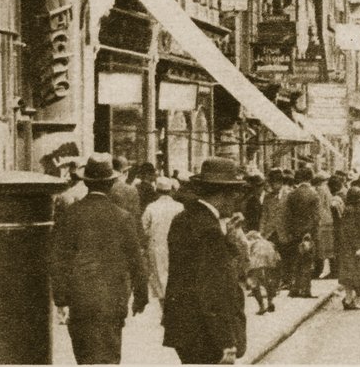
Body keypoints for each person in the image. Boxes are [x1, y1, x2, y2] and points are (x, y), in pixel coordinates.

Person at [50, 152, 148, 364]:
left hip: (80, 300)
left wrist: (60, 298)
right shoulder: (123, 217)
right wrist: (141, 295)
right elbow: (136, 260)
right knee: (109, 356)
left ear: (87, 182)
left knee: (85, 357)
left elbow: (59, 259)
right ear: (111, 183)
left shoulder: (71, 214)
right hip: (113, 300)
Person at [162, 157, 249, 365]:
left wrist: (227, 238)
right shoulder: (209, 230)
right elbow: (212, 290)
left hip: (185, 326)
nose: (236, 200)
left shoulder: (185, 218)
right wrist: (226, 340)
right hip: (205, 332)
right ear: (222, 194)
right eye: (234, 193)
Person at [141, 176, 184, 312]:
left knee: (160, 277)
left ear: (157, 191)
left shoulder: (152, 207)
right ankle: (174, 308)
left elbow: (143, 228)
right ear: (171, 191)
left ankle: (164, 309)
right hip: (177, 245)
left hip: (157, 246)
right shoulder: (179, 207)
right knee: (175, 274)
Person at [285, 167, 321, 298]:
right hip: (308, 233)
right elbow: (316, 217)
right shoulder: (314, 194)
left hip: (295, 232)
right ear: (310, 178)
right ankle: (305, 290)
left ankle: (294, 288)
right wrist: (312, 232)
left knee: (296, 260)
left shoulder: (292, 194)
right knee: (307, 261)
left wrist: (290, 231)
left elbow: (287, 216)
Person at [337, 186, 360, 310]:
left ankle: (349, 299)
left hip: (350, 246)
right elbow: (351, 231)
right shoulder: (351, 210)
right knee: (350, 274)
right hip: (350, 247)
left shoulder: (353, 208)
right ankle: (349, 300)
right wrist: (357, 247)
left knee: (352, 273)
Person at [245, 230, 281, 315]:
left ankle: (261, 306)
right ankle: (270, 302)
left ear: (252, 237)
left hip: (256, 263)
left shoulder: (251, 243)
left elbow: (246, 254)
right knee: (268, 282)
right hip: (270, 262)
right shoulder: (269, 243)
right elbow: (278, 257)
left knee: (253, 283)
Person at [314, 171, 336, 279]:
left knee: (323, 245)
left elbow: (319, 206)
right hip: (328, 219)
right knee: (327, 245)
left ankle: (325, 269)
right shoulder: (327, 190)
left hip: (322, 220)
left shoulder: (320, 190)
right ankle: (327, 268)